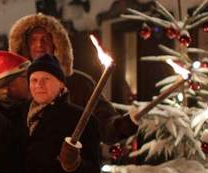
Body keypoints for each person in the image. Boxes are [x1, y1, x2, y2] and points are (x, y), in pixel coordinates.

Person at [8, 13, 137, 143]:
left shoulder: (79, 83)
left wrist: (122, 126)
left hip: (75, 159)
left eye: (45, 39)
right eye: (33, 40)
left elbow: (103, 123)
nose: (39, 44)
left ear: (56, 43)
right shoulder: (15, 86)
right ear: (25, 45)